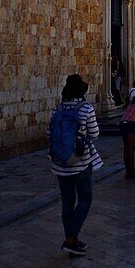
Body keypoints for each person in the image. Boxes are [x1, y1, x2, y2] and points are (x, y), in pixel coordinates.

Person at [48, 74, 102, 255]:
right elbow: (94, 133)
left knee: (67, 203)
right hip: (81, 162)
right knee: (85, 200)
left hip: (60, 164)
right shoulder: (86, 108)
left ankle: (72, 240)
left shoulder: (58, 108)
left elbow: (49, 133)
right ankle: (71, 238)